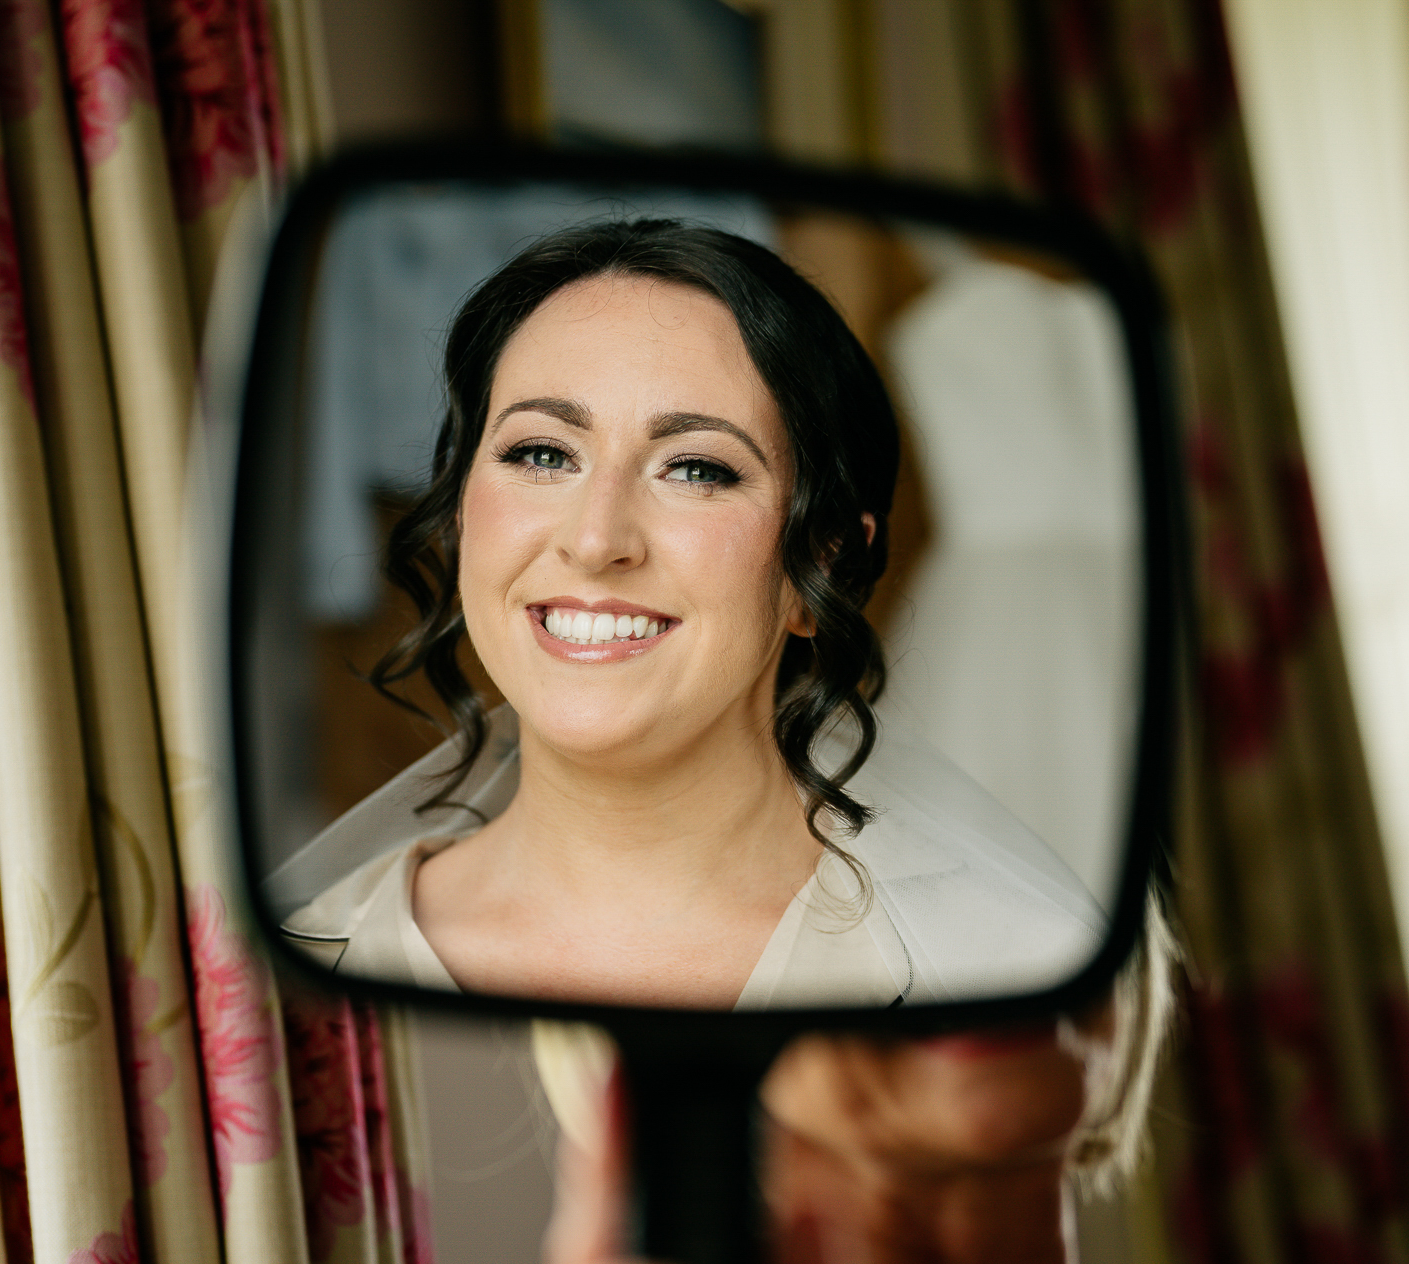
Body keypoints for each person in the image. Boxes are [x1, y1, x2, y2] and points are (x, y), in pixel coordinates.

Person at [272, 217, 1106, 1010]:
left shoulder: (1008, 967)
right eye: (540, 453)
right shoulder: (309, 961)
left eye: (696, 469)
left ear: (824, 561)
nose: (596, 540)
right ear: (459, 513)